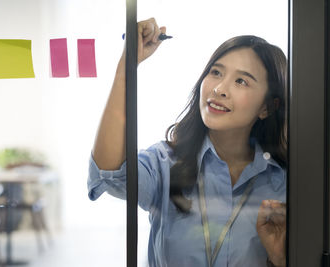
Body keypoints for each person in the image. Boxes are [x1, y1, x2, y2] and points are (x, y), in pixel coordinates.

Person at [88, 18, 287, 267]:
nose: (219, 89)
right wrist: (127, 67)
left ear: (268, 107)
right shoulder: (165, 163)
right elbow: (108, 172)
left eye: (241, 81)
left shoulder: (284, 184)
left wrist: (281, 259)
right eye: (216, 72)